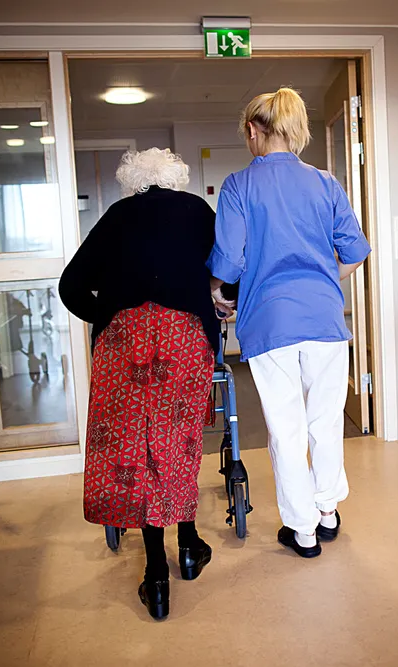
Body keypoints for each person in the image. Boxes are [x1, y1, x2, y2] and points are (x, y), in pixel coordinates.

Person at [208, 88, 371, 558]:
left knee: (287, 428)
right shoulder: (325, 183)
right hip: (325, 320)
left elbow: (228, 262)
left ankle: (303, 531)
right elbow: (355, 252)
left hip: (269, 324)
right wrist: (320, 277)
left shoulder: (239, 185)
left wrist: (218, 293)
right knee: (325, 421)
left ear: (253, 130)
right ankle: (328, 511)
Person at [59, 148, 221, 620]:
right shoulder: (197, 211)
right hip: (182, 337)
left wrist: (107, 315)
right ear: (176, 178)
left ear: (132, 181)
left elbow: (70, 286)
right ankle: (188, 545)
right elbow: (228, 269)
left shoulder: (116, 215)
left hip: (123, 341)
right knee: (177, 441)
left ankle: (155, 574)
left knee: (138, 447)